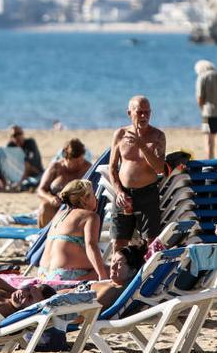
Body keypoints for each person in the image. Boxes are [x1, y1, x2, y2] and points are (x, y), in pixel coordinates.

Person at [109, 96, 166, 253]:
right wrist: (119, 192)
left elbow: (159, 168)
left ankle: (149, 275)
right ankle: (120, 275)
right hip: (124, 193)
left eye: (147, 112)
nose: (144, 116)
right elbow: (112, 168)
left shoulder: (157, 136)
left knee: (151, 242)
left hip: (147, 193)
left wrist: (142, 145)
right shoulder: (120, 134)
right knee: (118, 242)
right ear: (129, 113)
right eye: (139, 112)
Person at [38, 180, 108, 281]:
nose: (96, 199)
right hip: (63, 275)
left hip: (43, 274)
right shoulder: (90, 217)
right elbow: (91, 245)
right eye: (93, 195)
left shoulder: (59, 215)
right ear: (84, 199)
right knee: (111, 272)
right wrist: (102, 275)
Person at [35, 138, 91, 228]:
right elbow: (40, 190)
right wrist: (50, 198)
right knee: (45, 206)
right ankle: (44, 238)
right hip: (56, 206)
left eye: (81, 160)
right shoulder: (56, 167)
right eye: (75, 162)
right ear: (66, 157)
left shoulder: (88, 168)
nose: (80, 164)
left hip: (78, 207)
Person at [90, 245, 147, 309]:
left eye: (119, 264)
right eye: (113, 261)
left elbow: (89, 312)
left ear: (132, 272)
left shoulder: (111, 291)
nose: (113, 267)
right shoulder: (114, 284)